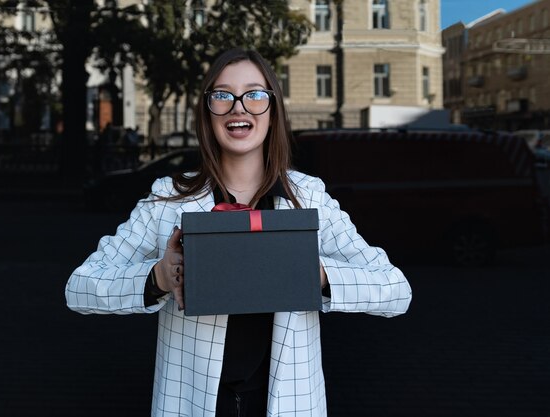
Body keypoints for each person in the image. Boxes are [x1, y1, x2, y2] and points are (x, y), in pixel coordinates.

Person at [65, 48, 412, 417]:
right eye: (222, 95)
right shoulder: (167, 198)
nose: (238, 107)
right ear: (207, 110)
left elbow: (396, 290)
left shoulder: (308, 197)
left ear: (273, 108)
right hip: (193, 407)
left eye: (254, 94)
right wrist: (158, 277)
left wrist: (318, 273)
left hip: (288, 407)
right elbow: (80, 287)